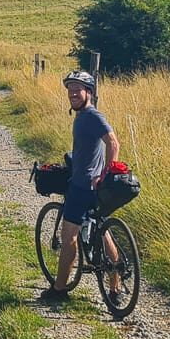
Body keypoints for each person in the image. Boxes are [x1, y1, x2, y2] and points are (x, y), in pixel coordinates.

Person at [48, 68, 121, 300]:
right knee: (103, 232)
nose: (73, 94)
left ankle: (59, 289)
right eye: (70, 90)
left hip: (82, 187)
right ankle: (115, 289)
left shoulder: (92, 116)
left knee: (69, 236)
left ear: (89, 92)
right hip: (93, 185)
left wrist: (107, 172)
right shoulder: (82, 116)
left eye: (77, 90)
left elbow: (113, 143)